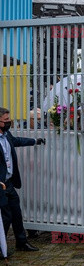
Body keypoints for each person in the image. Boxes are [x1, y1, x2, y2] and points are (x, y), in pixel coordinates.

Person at [0, 107, 46, 256]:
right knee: (5, 217)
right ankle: (2, 247)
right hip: (0, 184)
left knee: (16, 213)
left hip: (9, 183)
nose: (9, 122)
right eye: (6, 120)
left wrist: (34, 141)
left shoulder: (6, 135)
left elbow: (17, 141)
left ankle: (21, 242)